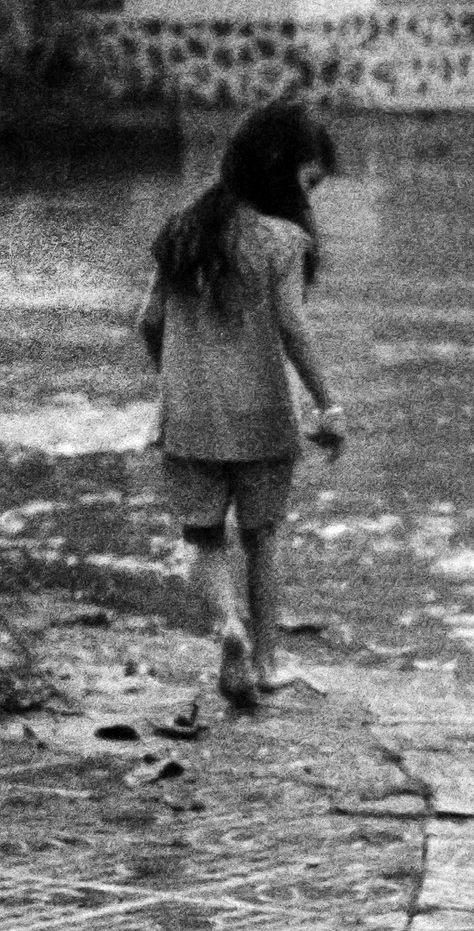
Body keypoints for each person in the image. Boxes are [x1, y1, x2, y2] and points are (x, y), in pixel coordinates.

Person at [136, 100, 347, 711]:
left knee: (202, 535)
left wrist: (176, 380)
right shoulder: (283, 241)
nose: (311, 197)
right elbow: (293, 329)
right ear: (280, 171)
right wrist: (329, 404)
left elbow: (149, 321)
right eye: (309, 181)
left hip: (189, 414)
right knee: (263, 537)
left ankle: (226, 626)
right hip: (263, 416)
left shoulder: (181, 230)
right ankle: (266, 660)